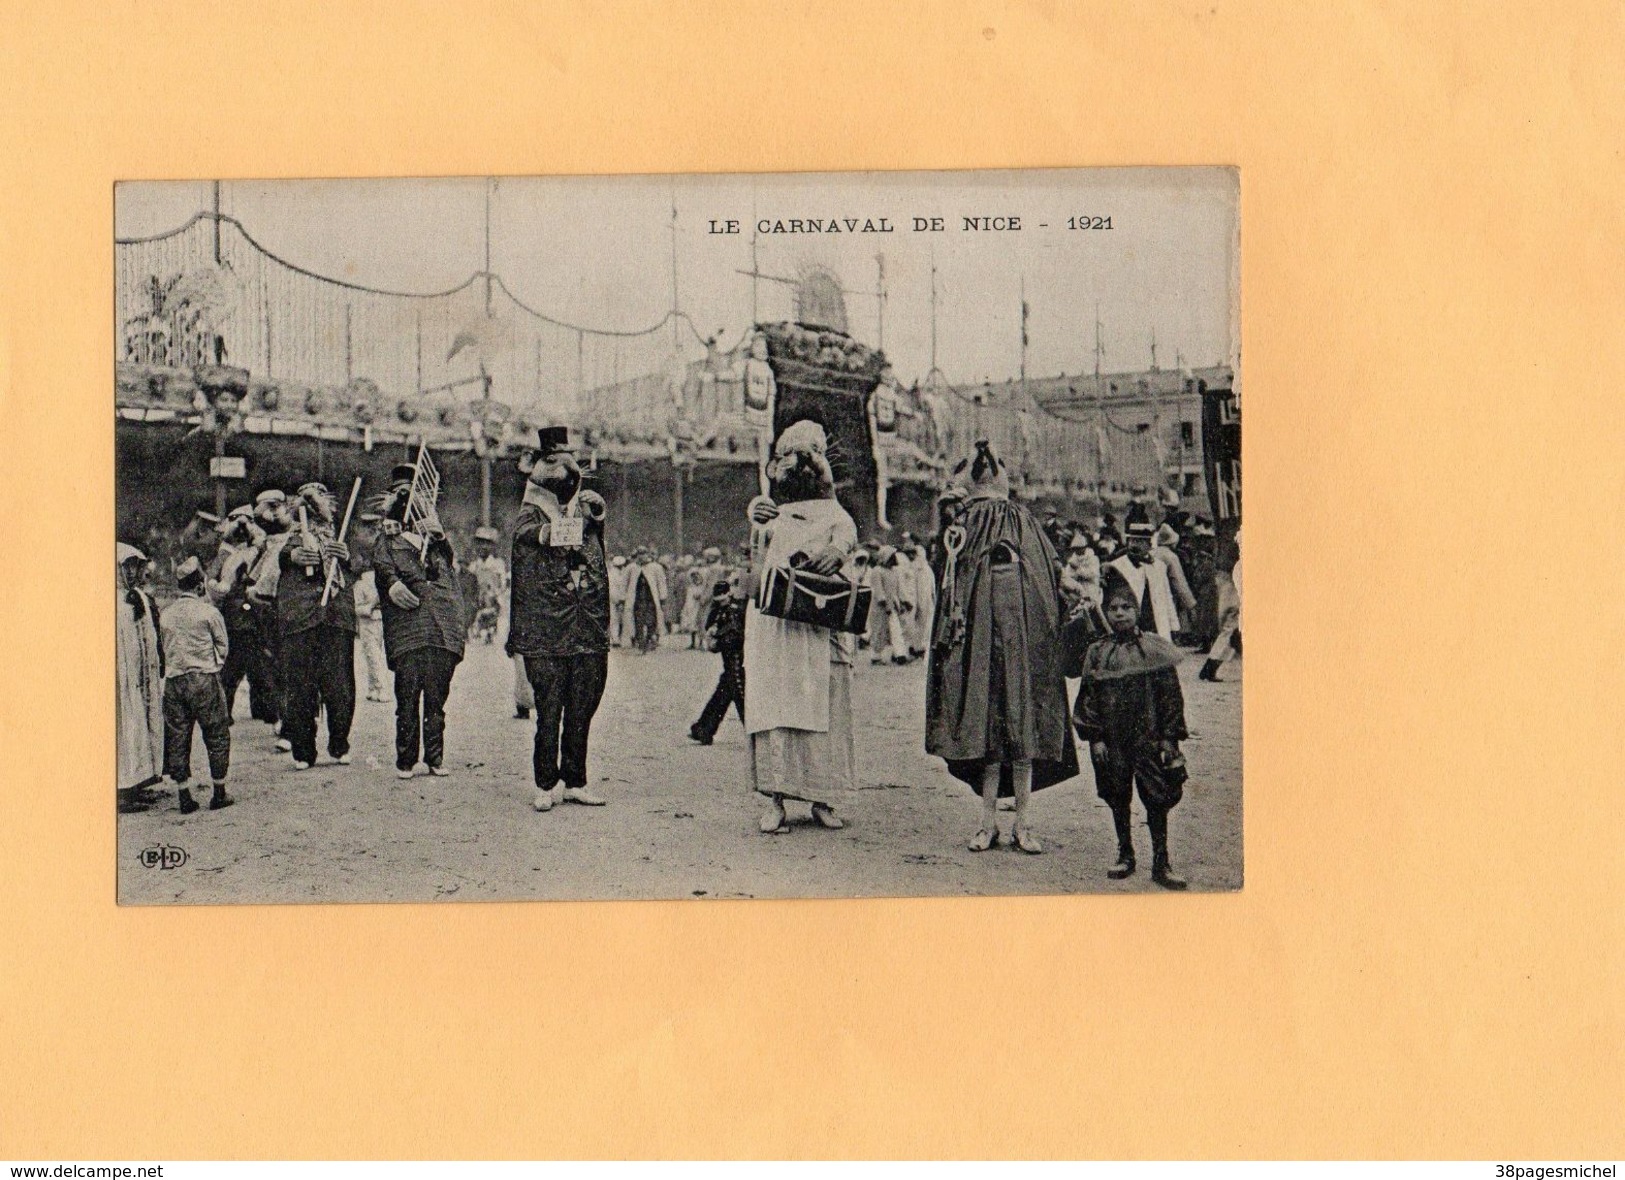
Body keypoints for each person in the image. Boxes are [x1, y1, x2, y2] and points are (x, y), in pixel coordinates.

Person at [925, 440, 1078, 854]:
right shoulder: (966, 521)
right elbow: (948, 574)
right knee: (989, 732)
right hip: (978, 639)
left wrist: (1067, 592)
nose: (987, 466)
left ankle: (1023, 823)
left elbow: (1050, 569)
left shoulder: (1020, 519)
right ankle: (987, 823)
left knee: (1021, 727)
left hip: (1023, 638)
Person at [744, 419, 859, 834]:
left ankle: (823, 797)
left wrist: (836, 550)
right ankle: (775, 799)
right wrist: (755, 514)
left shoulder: (835, 512)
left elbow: (847, 533)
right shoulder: (768, 511)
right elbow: (756, 556)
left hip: (818, 624)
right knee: (776, 702)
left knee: (825, 703)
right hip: (774, 625)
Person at [507, 427, 611, 812]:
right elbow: (525, 536)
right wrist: (549, 532)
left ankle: (576, 780)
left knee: (582, 706)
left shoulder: (581, 508)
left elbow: (595, 543)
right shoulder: (530, 513)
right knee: (549, 709)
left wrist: (595, 514)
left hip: (585, 629)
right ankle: (546, 781)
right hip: (547, 632)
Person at [1075, 568, 1191, 888]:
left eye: (1126, 607)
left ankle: (1161, 861)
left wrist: (1169, 738)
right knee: (1118, 795)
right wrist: (1095, 737)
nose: (1120, 613)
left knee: (1156, 797)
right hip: (1113, 741)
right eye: (1113, 608)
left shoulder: (1154, 648)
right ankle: (1125, 853)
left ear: (1136, 611)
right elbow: (1089, 697)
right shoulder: (1098, 651)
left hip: (1149, 739)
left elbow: (1171, 699)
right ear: (1107, 612)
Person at [372, 464, 466, 780]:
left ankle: (435, 758)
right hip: (408, 628)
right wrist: (392, 584)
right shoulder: (388, 539)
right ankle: (406, 760)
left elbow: (449, 567)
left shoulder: (435, 538)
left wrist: (439, 535)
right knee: (407, 696)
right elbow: (382, 567)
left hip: (439, 626)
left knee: (436, 698)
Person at [276, 482, 357, 770]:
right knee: (301, 689)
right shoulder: (291, 540)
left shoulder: (340, 538)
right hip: (302, 621)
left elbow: (355, 570)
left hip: (335, 620)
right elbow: (280, 557)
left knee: (340, 687)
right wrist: (292, 556)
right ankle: (303, 750)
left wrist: (345, 557)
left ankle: (339, 743)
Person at [158, 556, 234, 814]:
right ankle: (219, 792)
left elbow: (162, 649)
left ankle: (184, 796)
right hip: (203, 678)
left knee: (178, 736)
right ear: (200, 584)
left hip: (174, 680)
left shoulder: (166, 615)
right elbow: (223, 647)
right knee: (216, 734)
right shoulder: (209, 612)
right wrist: (214, 666)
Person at [207, 506, 273, 719]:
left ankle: (262, 708)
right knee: (233, 665)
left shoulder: (259, 550)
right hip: (235, 616)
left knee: (259, 665)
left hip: (255, 614)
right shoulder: (225, 552)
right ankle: (227, 710)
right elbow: (212, 579)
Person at [116, 544, 165, 809]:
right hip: (121, 678)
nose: (133, 572)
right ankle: (122, 788)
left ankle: (139, 780)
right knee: (124, 726)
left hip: (140, 676)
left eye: (136, 566)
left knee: (141, 723)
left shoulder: (135, 597)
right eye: (127, 567)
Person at [246, 488, 292, 746]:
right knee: (273, 666)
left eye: (275, 506)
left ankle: (291, 725)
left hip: (288, 608)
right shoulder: (265, 544)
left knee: (289, 668)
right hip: (267, 608)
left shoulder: (294, 538)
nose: (270, 513)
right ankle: (282, 717)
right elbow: (255, 577)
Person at [688, 573, 747, 745]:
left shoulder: (737, 610)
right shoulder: (717, 611)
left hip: (738, 658)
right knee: (725, 694)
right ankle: (704, 728)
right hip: (729, 659)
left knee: (739, 695)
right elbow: (710, 630)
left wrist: (719, 637)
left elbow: (737, 636)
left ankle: (705, 728)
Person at [1105, 510, 1181, 641]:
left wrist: (1173, 626)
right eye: (1132, 541)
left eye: (1140, 541)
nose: (1135, 545)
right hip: (1131, 622)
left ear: (1149, 545)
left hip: (1156, 621)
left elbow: (1166, 596)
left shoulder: (1159, 566)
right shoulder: (1117, 565)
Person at [350, 518, 389, 703]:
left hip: (371, 619)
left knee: (373, 655)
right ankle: (374, 687)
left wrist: (367, 607)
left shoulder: (365, 580)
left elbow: (362, 606)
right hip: (373, 619)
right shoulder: (364, 580)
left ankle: (380, 688)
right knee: (372, 655)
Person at [1199, 527, 1242, 682]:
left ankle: (1212, 665)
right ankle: (1212, 665)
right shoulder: (1239, 538)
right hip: (1233, 581)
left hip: (1228, 579)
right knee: (1232, 625)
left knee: (1232, 625)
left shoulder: (1229, 536)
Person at [1153, 522, 1198, 642]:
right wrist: (1191, 604)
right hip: (1166, 592)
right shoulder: (1171, 556)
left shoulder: (1152, 553)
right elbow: (1179, 581)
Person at [630, 547, 668, 653]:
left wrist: (662, 598)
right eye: (639, 554)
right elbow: (627, 584)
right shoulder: (633, 568)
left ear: (647, 554)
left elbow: (661, 583)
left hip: (651, 600)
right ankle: (641, 644)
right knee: (639, 622)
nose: (641, 556)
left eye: (643, 554)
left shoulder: (656, 567)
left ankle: (649, 640)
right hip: (638, 601)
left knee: (651, 622)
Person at [606, 554, 633, 649]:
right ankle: (616, 639)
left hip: (613, 599)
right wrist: (620, 600)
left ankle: (615, 638)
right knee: (616, 620)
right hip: (616, 599)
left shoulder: (611, 573)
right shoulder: (618, 574)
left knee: (614, 620)